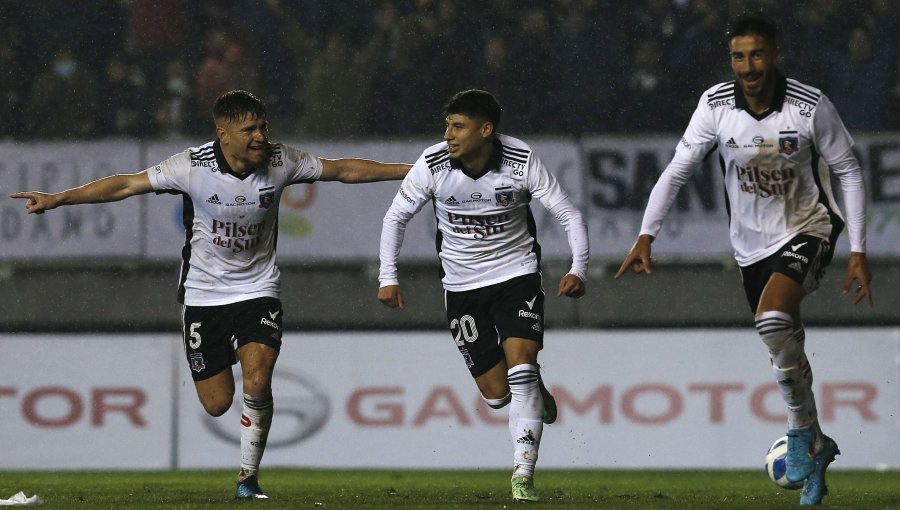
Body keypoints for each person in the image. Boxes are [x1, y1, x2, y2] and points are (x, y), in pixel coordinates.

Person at [11, 90, 410, 500]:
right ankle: (241, 455)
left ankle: (247, 479)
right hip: (203, 293)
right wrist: (59, 198)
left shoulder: (281, 160)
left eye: (263, 127)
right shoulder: (191, 166)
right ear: (223, 133)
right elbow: (125, 186)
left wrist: (410, 172)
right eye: (249, 129)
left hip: (257, 287)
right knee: (218, 403)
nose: (260, 137)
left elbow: (343, 170)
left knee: (259, 374)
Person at [614, 12, 873, 506]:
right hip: (749, 245)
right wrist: (647, 234)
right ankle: (816, 443)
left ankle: (799, 433)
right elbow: (676, 170)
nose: (748, 65)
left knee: (774, 318)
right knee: (781, 341)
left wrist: (859, 251)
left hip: (809, 227)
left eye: (757, 54)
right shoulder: (714, 105)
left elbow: (850, 173)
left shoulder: (810, 106)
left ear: (775, 55)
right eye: (739, 56)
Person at [377, 89, 589, 502]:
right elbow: (395, 217)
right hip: (461, 287)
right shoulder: (433, 163)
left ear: (486, 130)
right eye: (448, 126)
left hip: (516, 276)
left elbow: (567, 212)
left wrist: (577, 268)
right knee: (497, 395)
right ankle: (533, 390)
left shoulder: (521, 160)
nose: (449, 135)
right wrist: (388, 276)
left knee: (522, 367)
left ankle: (522, 476)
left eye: (458, 126)